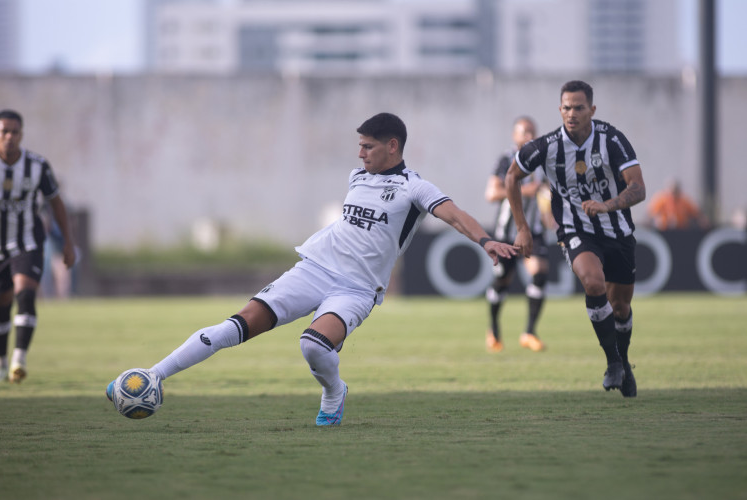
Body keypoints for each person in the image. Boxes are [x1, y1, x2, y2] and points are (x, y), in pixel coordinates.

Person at [107, 112, 518, 425]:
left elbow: (454, 214)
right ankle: (153, 375)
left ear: (393, 146)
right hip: (314, 268)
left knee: (313, 346)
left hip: (357, 289)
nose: (360, 153)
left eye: (368, 146)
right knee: (237, 323)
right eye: (359, 146)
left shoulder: (415, 186)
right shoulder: (357, 175)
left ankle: (334, 393)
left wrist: (485, 241)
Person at [505, 81, 646, 397]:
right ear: (560, 110)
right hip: (575, 230)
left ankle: (622, 361)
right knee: (593, 284)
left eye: (579, 108)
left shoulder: (612, 140)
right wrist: (523, 228)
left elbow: (638, 187)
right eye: (566, 108)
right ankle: (612, 362)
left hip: (618, 232)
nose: (572, 114)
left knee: (621, 307)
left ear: (591, 110)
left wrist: (607, 205)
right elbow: (512, 176)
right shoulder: (547, 146)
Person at [0, 109, 76, 383]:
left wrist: (68, 242)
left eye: (14, 132)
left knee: (26, 293)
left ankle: (19, 358)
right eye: (3, 131)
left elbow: (56, 202)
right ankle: (1, 361)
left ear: (21, 134)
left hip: (27, 242)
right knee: (1, 306)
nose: (9, 137)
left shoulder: (37, 165)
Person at [484, 116, 550, 353]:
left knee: (540, 273)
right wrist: (525, 190)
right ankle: (493, 329)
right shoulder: (506, 159)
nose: (530, 137)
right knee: (502, 281)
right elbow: (491, 193)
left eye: (533, 132)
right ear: (515, 136)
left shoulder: (544, 162)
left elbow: (549, 195)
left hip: (534, 231)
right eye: (525, 132)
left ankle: (529, 332)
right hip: (507, 233)